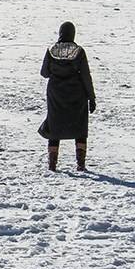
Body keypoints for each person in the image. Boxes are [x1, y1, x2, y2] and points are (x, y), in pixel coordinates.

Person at [39, 22, 96, 172]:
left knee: (54, 126)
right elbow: (85, 76)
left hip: (55, 93)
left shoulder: (51, 50)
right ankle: (81, 164)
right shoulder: (79, 51)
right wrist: (92, 97)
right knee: (80, 127)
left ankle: (52, 164)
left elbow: (44, 73)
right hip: (77, 94)